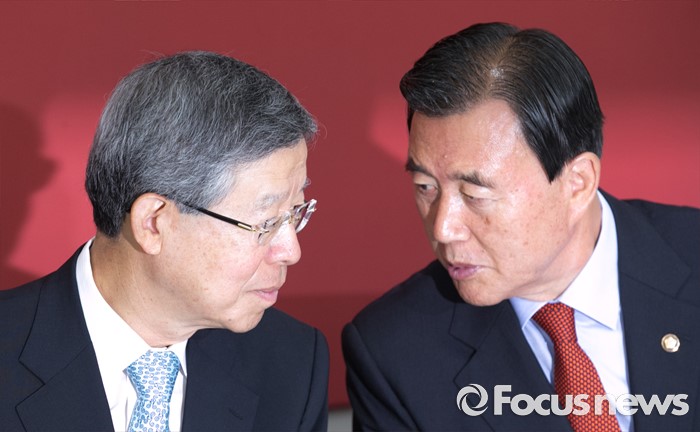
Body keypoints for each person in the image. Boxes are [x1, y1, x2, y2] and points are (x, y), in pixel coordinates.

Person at [343, 22, 699, 431]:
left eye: (474, 194)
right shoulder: (396, 354)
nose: (443, 228)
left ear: (577, 183)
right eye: (426, 187)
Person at [1, 51, 328, 431]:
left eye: (295, 213)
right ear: (153, 223)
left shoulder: (292, 364)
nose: (290, 251)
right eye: (266, 222)